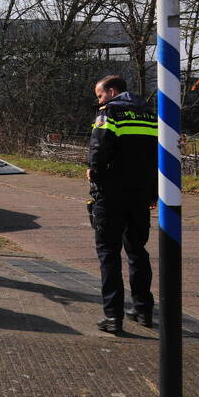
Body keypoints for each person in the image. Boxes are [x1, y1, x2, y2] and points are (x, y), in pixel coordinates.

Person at [87, 74, 157, 333]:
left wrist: (94, 174)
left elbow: (99, 148)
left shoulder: (109, 113)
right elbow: (157, 156)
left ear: (112, 92)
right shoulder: (149, 115)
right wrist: (152, 193)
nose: (99, 101)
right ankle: (143, 310)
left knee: (108, 253)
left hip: (111, 194)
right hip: (140, 195)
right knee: (137, 251)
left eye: (100, 95)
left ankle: (113, 316)